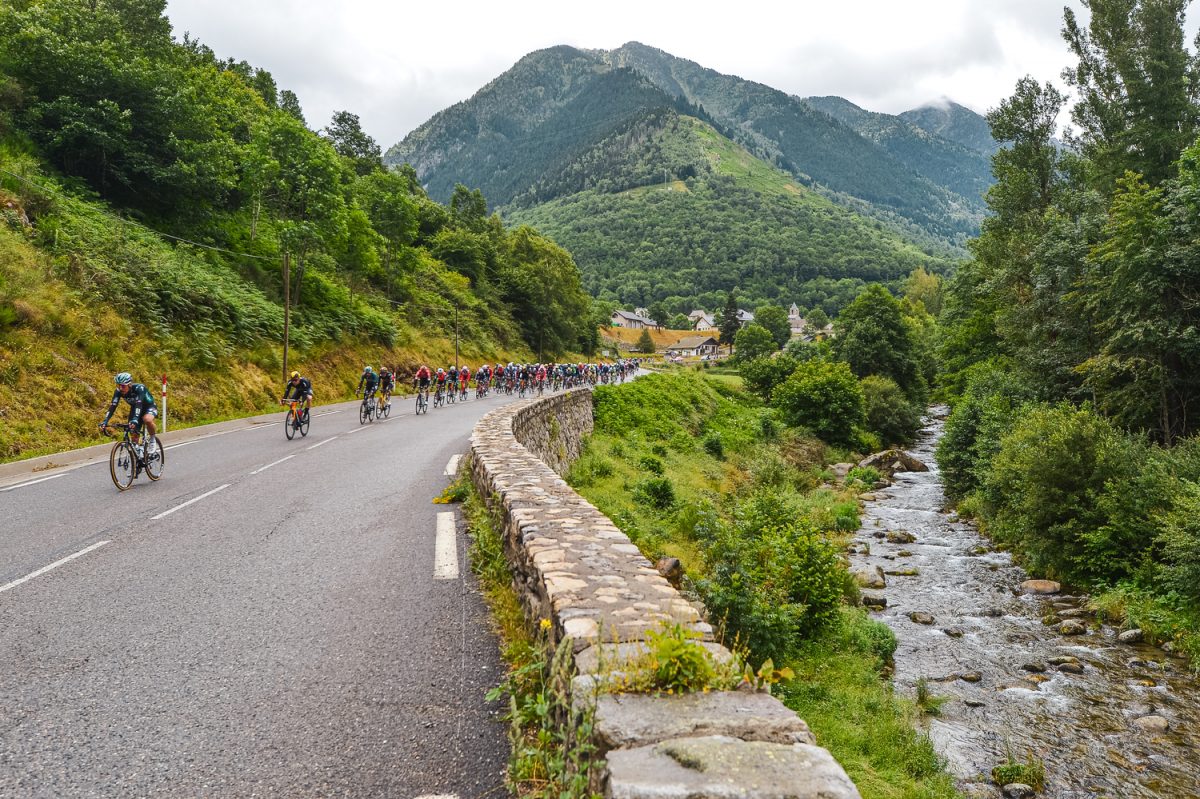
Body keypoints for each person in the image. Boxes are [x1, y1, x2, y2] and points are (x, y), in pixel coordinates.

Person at [99, 372, 158, 453]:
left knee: (147, 419)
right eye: (119, 385)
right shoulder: (118, 391)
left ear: (129, 385)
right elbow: (112, 406)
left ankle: (152, 439)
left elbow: (139, 404)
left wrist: (135, 419)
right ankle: (138, 452)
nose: (120, 388)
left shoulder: (139, 388)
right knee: (132, 431)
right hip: (135, 408)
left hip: (148, 406)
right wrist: (105, 421)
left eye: (123, 386)